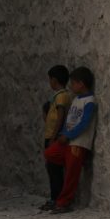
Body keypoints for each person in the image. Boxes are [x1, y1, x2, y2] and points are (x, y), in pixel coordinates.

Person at [44, 67, 97, 214]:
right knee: (50, 154)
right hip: (68, 141)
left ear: (81, 84)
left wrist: (68, 135)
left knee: (71, 175)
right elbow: (69, 120)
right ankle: (60, 200)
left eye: (73, 83)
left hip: (78, 143)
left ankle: (64, 203)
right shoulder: (76, 100)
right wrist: (63, 134)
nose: (71, 86)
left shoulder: (90, 101)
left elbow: (84, 123)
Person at [39, 65, 71, 211]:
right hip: (52, 136)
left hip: (54, 137)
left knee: (54, 170)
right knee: (51, 169)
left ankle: (57, 199)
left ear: (54, 80)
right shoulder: (58, 96)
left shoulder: (61, 96)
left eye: (50, 79)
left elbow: (60, 116)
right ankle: (55, 198)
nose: (49, 82)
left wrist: (54, 137)